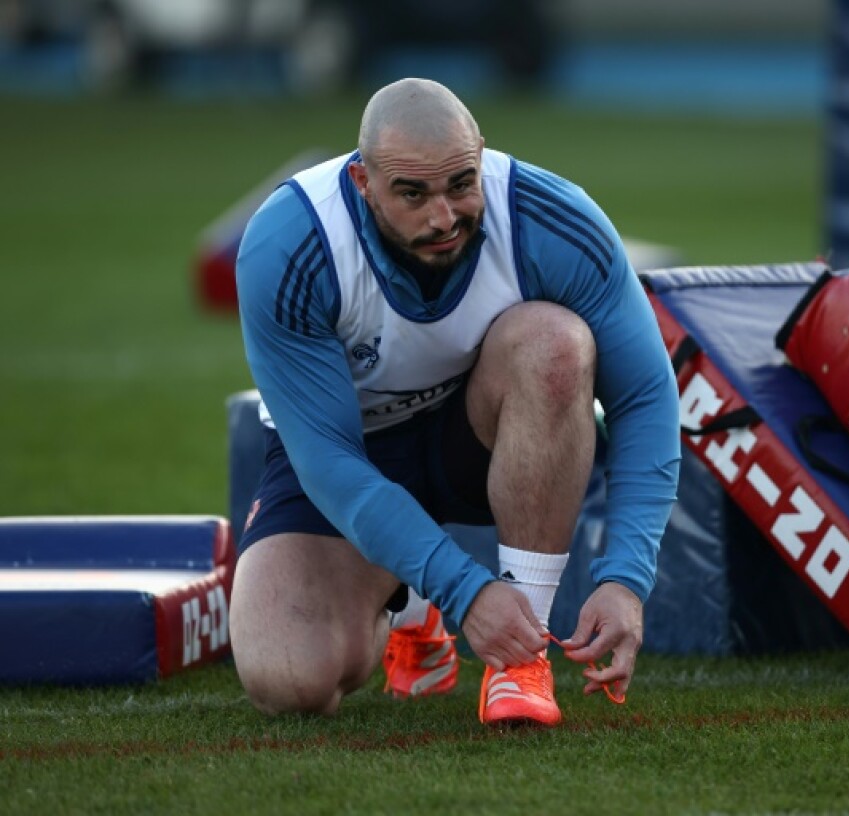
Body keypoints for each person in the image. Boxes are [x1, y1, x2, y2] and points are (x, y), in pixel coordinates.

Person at [229, 78, 681, 727]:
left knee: (556, 345)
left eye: (460, 185)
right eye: (412, 194)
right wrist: (464, 590)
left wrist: (626, 578)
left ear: (482, 156)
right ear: (363, 182)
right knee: (291, 679)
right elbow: (328, 458)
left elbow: (645, 395)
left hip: (475, 434)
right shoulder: (292, 244)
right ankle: (414, 609)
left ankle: (521, 661)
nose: (443, 217)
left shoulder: (550, 217)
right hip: (355, 452)